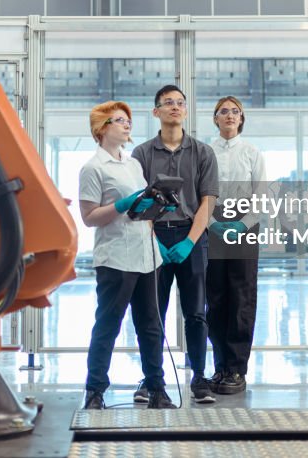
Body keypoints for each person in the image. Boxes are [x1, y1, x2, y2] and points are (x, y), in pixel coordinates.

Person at [79, 100, 176, 410]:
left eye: (127, 120)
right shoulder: (93, 168)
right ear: (102, 128)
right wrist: (121, 205)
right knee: (108, 324)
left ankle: (157, 390)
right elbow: (89, 217)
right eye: (120, 120)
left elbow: (142, 207)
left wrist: (160, 205)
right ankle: (95, 392)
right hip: (116, 258)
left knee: (150, 325)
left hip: (146, 256)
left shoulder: (133, 164)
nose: (127, 125)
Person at [131, 85, 219, 404]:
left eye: (180, 103)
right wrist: (154, 239)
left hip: (192, 237)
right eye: (168, 103)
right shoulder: (141, 154)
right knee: (152, 312)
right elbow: (140, 203)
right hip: (152, 237)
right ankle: (152, 379)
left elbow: (207, 202)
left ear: (185, 110)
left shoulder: (202, 152)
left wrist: (189, 242)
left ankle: (199, 377)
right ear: (156, 111)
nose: (175, 107)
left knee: (195, 312)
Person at [206, 95, 266, 395]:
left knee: (242, 297)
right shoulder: (205, 152)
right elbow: (197, 193)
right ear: (215, 118)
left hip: (245, 224)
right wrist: (212, 224)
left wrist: (243, 224)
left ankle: (237, 370)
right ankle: (219, 367)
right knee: (215, 298)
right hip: (213, 223)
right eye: (223, 111)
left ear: (241, 119)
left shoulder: (253, 153)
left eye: (235, 112)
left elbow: (261, 196)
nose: (230, 115)